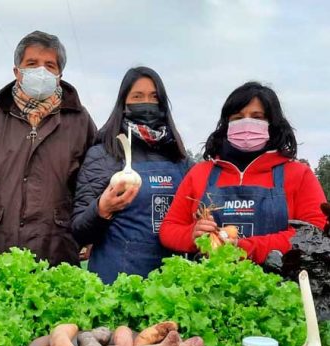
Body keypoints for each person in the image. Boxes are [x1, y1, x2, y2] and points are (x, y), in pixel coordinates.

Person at [0, 30, 96, 266]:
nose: (41, 71)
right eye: (32, 63)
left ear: (59, 74)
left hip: (58, 249)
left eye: (49, 65)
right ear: (17, 71)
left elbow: (95, 183)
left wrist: (94, 231)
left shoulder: (80, 121)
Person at [160, 81, 327, 264]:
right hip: (210, 287)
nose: (246, 123)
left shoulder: (298, 174)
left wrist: (245, 247)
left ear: (272, 124)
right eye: (238, 117)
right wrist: (193, 235)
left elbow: (315, 234)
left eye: (257, 117)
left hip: (280, 287)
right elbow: (168, 230)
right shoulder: (200, 173)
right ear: (227, 124)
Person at [71, 67, 189, 284]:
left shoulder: (179, 159)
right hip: (114, 281)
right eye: (138, 96)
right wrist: (102, 209)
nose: (147, 102)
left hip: (170, 283)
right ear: (124, 104)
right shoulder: (104, 154)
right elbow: (79, 231)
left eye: (154, 97)